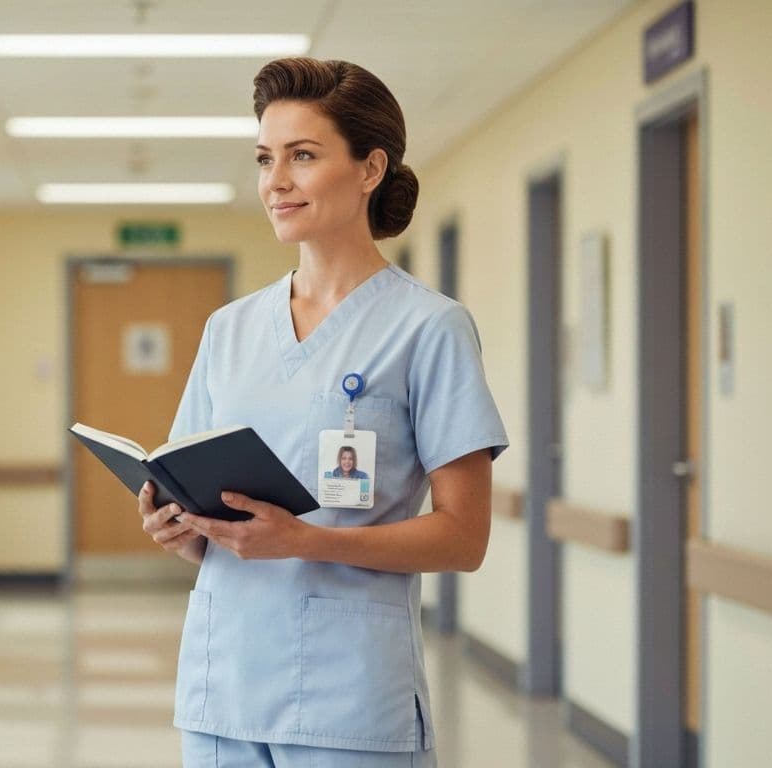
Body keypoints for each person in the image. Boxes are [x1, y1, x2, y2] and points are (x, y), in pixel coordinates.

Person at [136, 57, 507, 767]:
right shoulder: (230, 329)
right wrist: (172, 525)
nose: (275, 181)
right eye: (264, 158)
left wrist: (305, 540)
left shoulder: (428, 328)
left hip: (350, 697)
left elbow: (464, 539)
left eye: (302, 156)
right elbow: (202, 530)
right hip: (223, 689)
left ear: (370, 169)